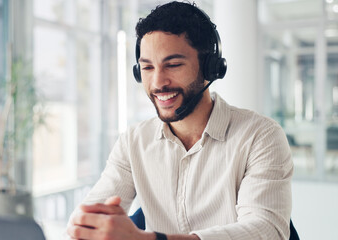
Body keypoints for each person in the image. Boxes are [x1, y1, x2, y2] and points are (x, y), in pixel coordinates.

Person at [66, 1, 293, 240]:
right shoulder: (134, 141)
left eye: (173, 65)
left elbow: (267, 230)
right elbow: (86, 223)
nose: (157, 82)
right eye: (147, 68)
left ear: (210, 67)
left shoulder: (260, 135)